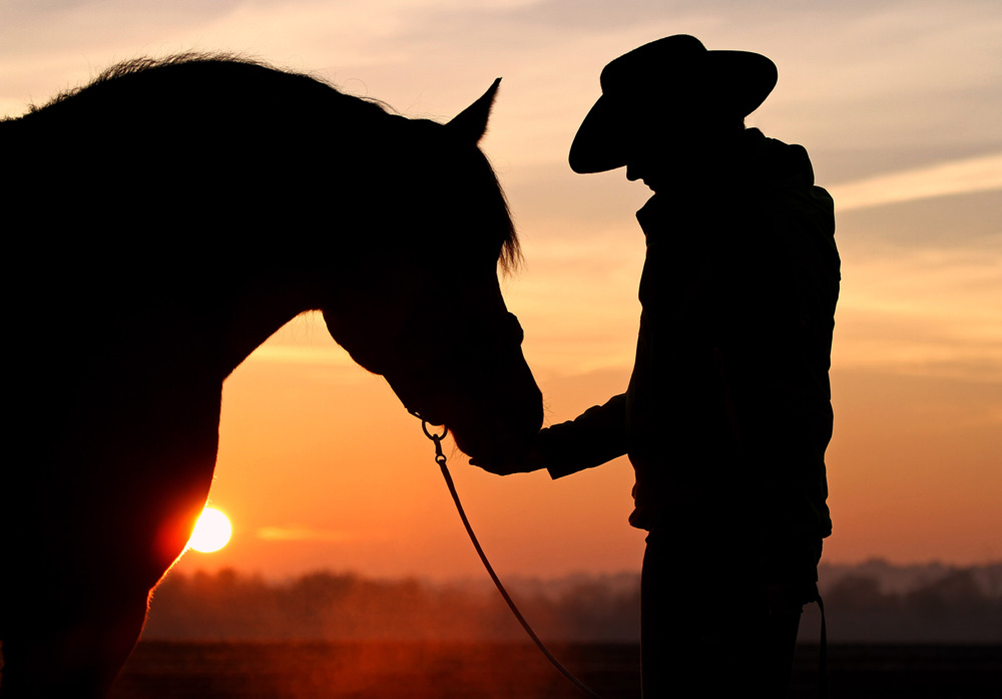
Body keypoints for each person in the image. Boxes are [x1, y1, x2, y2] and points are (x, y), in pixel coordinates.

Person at [474, 35, 840, 696]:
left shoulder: (763, 231)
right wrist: (548, 449)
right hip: (699, 537)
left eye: (640, 145)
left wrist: (784, 554)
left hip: (728, 549)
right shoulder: (713, 224)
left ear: (686, 131)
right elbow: (674, 392)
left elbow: (787, 401)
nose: (633, 171)